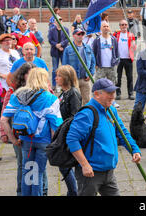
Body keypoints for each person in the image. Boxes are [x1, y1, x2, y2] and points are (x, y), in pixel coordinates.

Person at [66, 78, 141, 196]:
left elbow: (122, 132)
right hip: (90, 173)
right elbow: (72, 139)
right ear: (96, 94)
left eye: (113, 93)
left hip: (109, 171)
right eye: (109, 93)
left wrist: (134, 149)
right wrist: (85, 165)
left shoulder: (111, 110)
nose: (113, 97)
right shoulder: (86, 114)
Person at [1, 68, 63, 196]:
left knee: (27, 170)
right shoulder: (50, 98)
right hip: (43, 141)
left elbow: (3, 120)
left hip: (25, 140)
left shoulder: (17, 95)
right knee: (38, 173)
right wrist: (54, 144)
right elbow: (56, 125)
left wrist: (13, 140)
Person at [0, 62, 38, 196]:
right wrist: (6, 135)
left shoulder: (42, 90)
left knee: (37, 166)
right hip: (19, 136)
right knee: (23, 165)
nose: (32, 76)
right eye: (29, 73)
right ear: (23, 75)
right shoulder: (13, 92)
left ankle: (39, 191)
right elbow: (4, 115)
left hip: (37, 136)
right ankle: (21, 192)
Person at [55, 65, 81, 196]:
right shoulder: (63, 93)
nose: (56, 78)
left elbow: (75, 116)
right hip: (62, 132)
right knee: (63, 164)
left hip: (68, 134)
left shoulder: (73, 93)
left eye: (59, 75)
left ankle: (73, 192)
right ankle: (73, 191)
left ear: (66, 78)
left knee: (64, 164)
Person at [63, 28, 96, 106]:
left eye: (82, 34)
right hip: (74, 80)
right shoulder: (68, 49)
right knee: (75, 102)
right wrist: (68, 79)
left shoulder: (88, 47)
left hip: (85, 79)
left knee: (87, 100)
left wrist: (90, 73)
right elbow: (65, 65)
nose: (80, 36)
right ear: (74, 36)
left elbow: (93, 62)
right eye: (78, 34)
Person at [113, 19, 136, 100]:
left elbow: (134, 47)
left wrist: (133, 47)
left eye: (125, 24)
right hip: (119, 59)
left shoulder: (131, 35)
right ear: (120, 26)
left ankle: (130, 93)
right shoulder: (116, 34)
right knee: (118, 77)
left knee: (129, 77)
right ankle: (118, 93)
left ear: (127, 26)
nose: (124, 26)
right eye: (122, 25)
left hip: (128, 59)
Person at [48, 16, 70, 91]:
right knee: (55, 69)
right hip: (55, 51)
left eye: (60, 20)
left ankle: (64, 84)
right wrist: (56, 45)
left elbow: (67, 39)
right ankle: (54, 85)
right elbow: (50, 40)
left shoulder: (65, 29)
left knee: (64, 69)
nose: (59, 21)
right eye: (57, 20)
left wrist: (61, 44)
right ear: (55, 22)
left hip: (63, 51)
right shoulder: (51, 30)